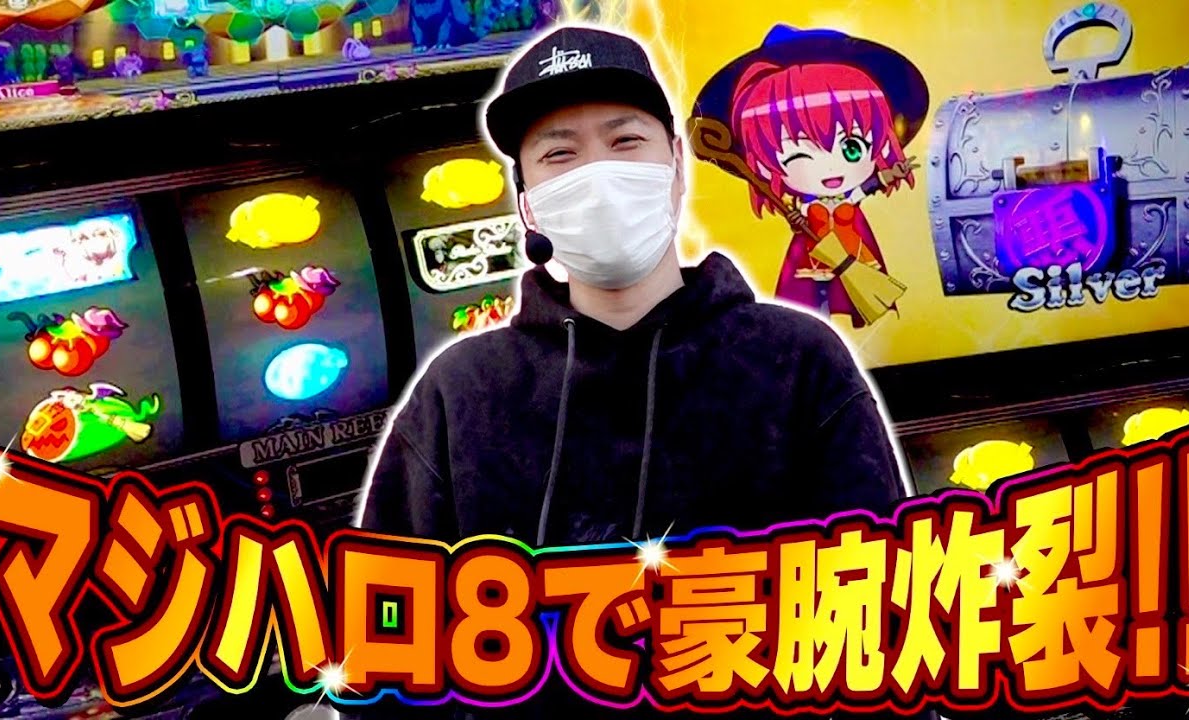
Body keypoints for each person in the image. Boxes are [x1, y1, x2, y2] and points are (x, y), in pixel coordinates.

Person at [356, 23, 914, 720]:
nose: (598, 176)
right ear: (528, 203)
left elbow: (885, 621)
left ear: (676, 168)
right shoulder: (461, 392)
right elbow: (384, 649)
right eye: (559, 154)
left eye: (625, 142)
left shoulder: (796, 359)